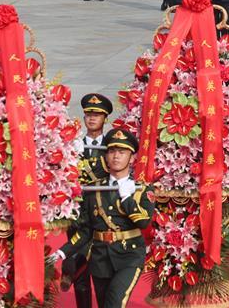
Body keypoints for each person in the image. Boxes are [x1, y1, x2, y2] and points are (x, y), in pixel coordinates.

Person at [49, 128, 152, 308]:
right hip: (100, 257)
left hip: (129, 256)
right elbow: (86, 230)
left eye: (122, 152)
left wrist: (127, 198)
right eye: (112, 151)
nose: (116, 156)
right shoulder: (93, 190)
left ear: (132, 158)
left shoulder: (141, 190)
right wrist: (62, 252)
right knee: (105, 303)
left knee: (114, 300)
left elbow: (143, 221)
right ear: (105, 156)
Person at [61, 93, 114, 308]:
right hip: (79, 213)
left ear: (105, 119)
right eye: (89, 115)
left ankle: (70, 268)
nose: (92, 119)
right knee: (81, 278)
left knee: (102, 271)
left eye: (97, 115)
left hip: (103, 213)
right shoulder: (74, 146)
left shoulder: (113, 146)